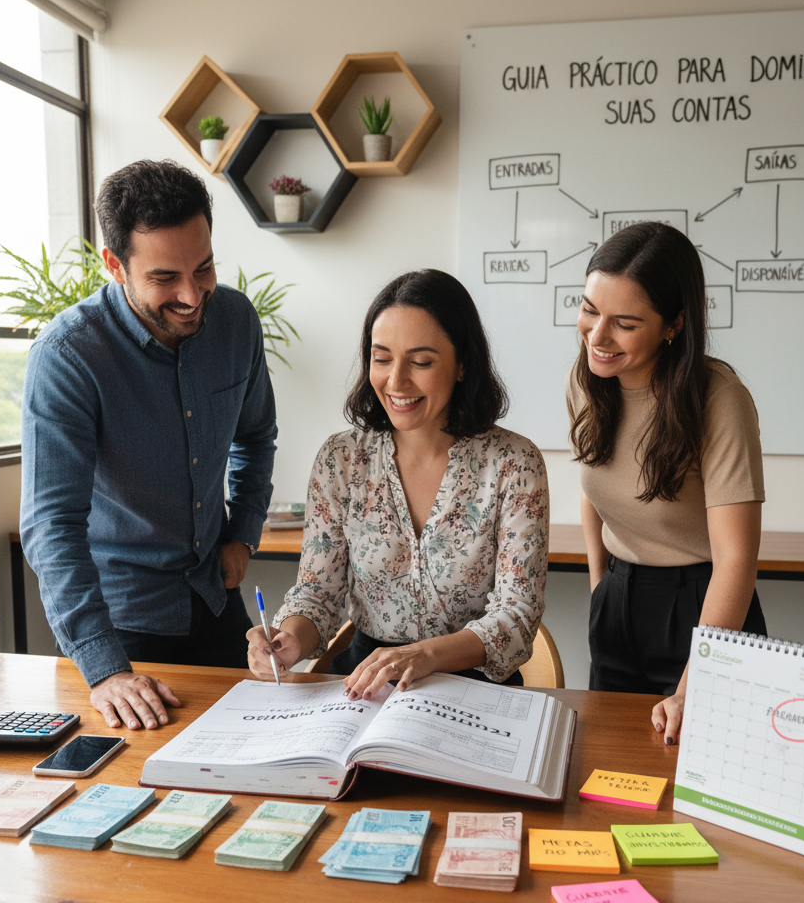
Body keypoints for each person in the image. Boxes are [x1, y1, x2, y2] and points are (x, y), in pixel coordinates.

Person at [21, 159, 277, 732]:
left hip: (216, 597)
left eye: (203, 267)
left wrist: (243, 532)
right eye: (165, 278)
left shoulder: (236, 321)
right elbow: (51, 524)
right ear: (115, 265)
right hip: (122, 627)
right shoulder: (67, 356)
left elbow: (256, 435)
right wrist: (105, 670)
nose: (191, 294)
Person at [246, 269, 549, 699]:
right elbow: (317, 594)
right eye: (382, 358)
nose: (396, 381)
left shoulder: (515, 463)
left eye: (421, 362)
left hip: (477, 688)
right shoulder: (341, 459)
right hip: (366, 686)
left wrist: (425, 655)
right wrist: (289, 639)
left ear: (463, 364)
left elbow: (517, 616)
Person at [567, 221, 766, 746]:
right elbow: (593, 488)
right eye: (589, 310)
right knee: (611, 765)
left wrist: (693, 682)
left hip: (704, 608)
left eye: (625, 323)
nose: (597, 336)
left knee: (698, 773)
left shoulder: (719, 398)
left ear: (673, 324)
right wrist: (601, 588)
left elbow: (737, 558)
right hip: (619, 600)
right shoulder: (587, 381)